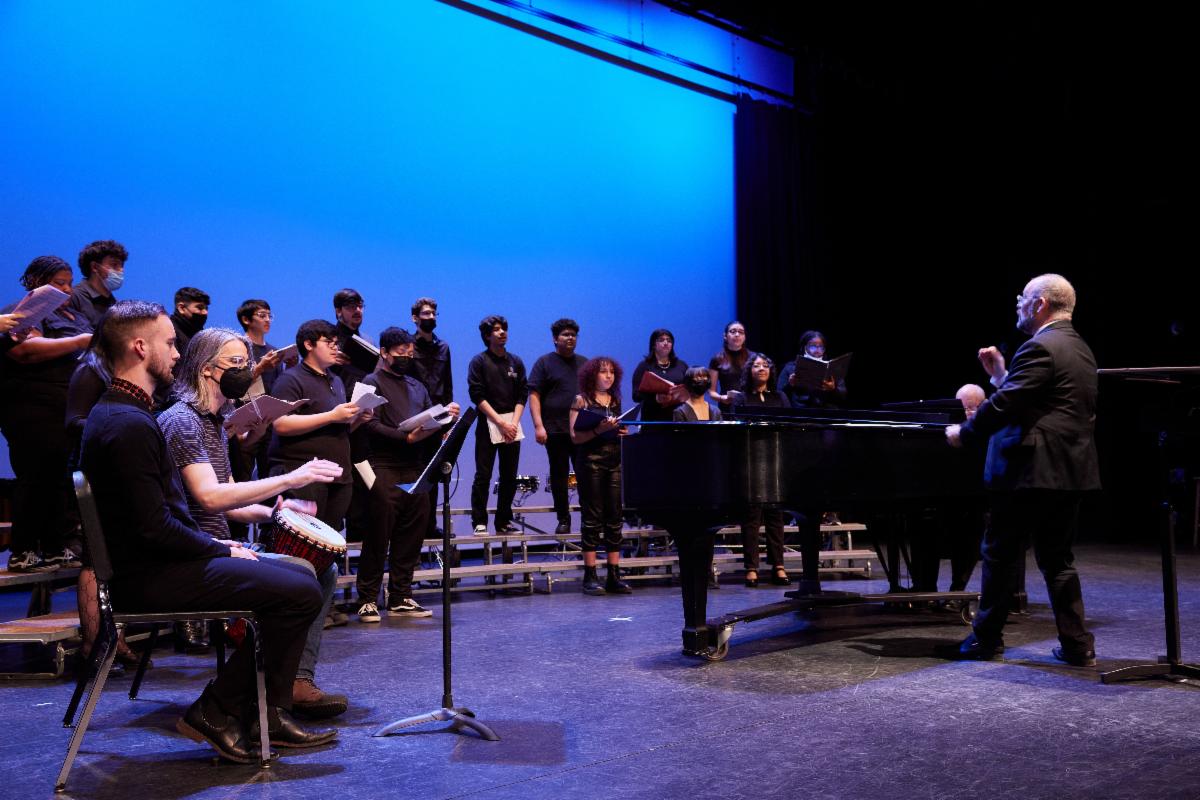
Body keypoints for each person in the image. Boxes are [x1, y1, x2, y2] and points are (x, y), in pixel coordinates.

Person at [80, 299, 334, 763]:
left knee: (302, 577)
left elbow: (159, 519)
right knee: (299, 590)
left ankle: (261, 712)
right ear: (140, 348)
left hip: (157, 564)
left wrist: (222, 541)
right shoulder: (128, 424)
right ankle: (216, 710)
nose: (177, 354)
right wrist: (218, 548)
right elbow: (155, 528)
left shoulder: (126, 414)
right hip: (147, 578)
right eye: (169, 343)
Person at [158, 326, 350, 718]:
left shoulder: (212, 422)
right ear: (207, 368)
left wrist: (274, 512)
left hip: (215, 547)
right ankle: (262, 694)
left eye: (247, 363)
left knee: (321, 568)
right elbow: (210, 497)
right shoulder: (182, 422)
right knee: (302, 577)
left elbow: (229, 501)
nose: (245, 371)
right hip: (194, 554)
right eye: (236, 363)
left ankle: (288, 683)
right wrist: (292, 478)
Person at [941, 274, 1100, 666]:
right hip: (1068, 471)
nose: (1018, 302)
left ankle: (985, 640)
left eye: (1023, 297)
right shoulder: (1079, 348)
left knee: (999, 554)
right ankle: (1077, 645)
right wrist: (1000, 376)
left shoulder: (1039, 346)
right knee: (1058, 559)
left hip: (1029, 471)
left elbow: (1005, 405)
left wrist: (965, 433)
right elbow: (1036, 400)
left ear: (1040, 304)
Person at [356, 327, 461, 622]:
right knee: (379, 534)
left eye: (409, 352)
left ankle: (401, 595)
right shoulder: (372, 381)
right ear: (384, 353)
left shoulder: (417, 385)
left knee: (412, 533)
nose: (406, 356)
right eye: (400, 351)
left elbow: (431, 419)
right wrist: (406, 438)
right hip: (384, 465)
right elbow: (369, 424)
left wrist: (446, 418)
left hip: (416, 467)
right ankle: (367, 598)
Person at [1, 256, 92, 572]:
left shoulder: (74, 315)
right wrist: (78, 342)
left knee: (58, 479)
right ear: (36, 283)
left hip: (65, 406)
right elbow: (25, 351)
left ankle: (55, 546)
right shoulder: (22, 311)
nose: (67, 290)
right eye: (58, 284)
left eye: (69, 284)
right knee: (34, 475)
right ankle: (23, 550)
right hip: (32, 406)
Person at [569, 356, 631, 595]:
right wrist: (599, 429)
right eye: (604, 372)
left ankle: (614, 574)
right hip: (590, 462)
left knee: (615, 516)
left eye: (612, 372)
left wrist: (620, 431)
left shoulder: (615, 400)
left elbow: (615, 429)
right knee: (593, 516)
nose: (608, 376)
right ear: (592, 375)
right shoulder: (581, 400)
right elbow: (575, 437)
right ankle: (590, 575)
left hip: (614, 460)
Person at [731, 354, 791, 586]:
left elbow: (789, 425)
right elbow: (737, 428)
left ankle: (778, 565)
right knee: (752, 517)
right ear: (749, 371)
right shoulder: (742, 398)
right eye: (756, 366)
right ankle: (751, 567)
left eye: (765, 365)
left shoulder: (780, 397)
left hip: (776, 459)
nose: (761, 369)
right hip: (751, 460)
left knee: (776, 515)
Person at [467, 315, 527, 534]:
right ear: (487, 336)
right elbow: (477, 395)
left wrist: (513, 423)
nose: (502, 333)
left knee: (509, 475)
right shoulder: (479, 362)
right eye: (496, 330)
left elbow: (522, 394)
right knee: (483, 475)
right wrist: (501, 422)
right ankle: (479, 521)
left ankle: (503, 521)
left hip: (512, 425)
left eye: (504, 329)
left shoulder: (516, 361)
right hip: (488, 425)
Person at [528, 318, 587, 535]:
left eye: (573, 335)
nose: (571, 338)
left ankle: (588, 518)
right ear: (555, 339)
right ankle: (563, 518)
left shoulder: (584, 363)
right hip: (554, 429)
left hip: (581, 429)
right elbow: (534, 395)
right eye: (565, 334)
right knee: (559, 475)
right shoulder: (544, 363)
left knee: (585, 474)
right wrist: (538, 426)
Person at [409, 297, 453, 538]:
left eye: (434, 313)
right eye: (426, 314)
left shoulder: (444, 347)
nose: (431, 317)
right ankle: (414, 525)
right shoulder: (408, 346)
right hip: (414, 417)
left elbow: (448, 385)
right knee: (414, 471)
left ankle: (429, 525)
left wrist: (448, 421)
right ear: (415, 318)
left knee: (433, 472)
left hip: (438, 416)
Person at [631, 328, 689, 422]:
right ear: (654, 344)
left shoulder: (681, 365)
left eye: (669, 341)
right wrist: (655, 398)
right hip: (652, 420)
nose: (666, 343)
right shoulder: (644, 366)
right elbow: (635, 395)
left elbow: (690, 390)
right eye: (661, 340)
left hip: (678, 418)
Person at [778, 330, 847, 408]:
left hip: (827, 411)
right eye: (812, 346)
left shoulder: (831, 368)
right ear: (804, 347)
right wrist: (790, 385)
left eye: (820, 347)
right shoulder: (790, 367)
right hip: (800, 412)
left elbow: (842, 396)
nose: (817, 350)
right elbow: (779, 395)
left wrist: (833, 389)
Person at [68, 239, 127, 330]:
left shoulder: (116, 305)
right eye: (114, 265)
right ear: (94, 267)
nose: (121, 270)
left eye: (122, 266)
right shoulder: (73, 297)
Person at [707, 321, 752, 414]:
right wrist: (721, 398)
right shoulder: (717, 359)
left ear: (744, 337)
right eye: (733, 331)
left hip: (750, 406)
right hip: (727, 407)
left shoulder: (753, 358)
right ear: (725, 336)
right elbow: (711, 392)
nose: (737, 334)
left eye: (741, 332)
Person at [169, 286, 209, 358]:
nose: (205, 312)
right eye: (200, 308)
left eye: (206, 308)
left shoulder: (202, 336)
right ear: (181, 308)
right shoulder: (169, 331)